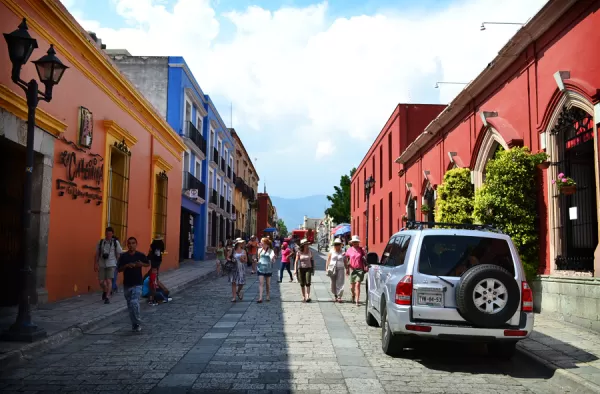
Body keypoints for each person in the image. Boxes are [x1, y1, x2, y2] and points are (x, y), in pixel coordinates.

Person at [118, 237, 149, 332]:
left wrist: (141, 265)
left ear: (136, 244)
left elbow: (147, 264)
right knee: (130, 306)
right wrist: (127, 266)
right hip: (127, 284)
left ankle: (138, 321)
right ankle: (134, 324)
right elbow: (119, 269)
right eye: (129, 243)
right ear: (127, 245)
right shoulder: (124, 256)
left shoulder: (140, 255)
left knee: (134, 302)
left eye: (133, 243)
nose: (131, 245)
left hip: (137, 283)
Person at [94, 227, 122, 304]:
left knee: (109, 280)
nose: (108, 235)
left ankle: (107, 297)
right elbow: (97, 254)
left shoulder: (115, 242)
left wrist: (116, 262)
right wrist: (95, 263)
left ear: (112, 234)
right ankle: (105, 290)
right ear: (105, 233)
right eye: (107, 233)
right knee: (101, 282)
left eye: (110, 234)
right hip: (102, 263)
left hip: (111, 263)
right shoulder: (101, 242)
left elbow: (119, 252)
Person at [345, 235, 367, 306]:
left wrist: (366, 265)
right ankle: (353, 295)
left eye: (356, 242)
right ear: (352, 242)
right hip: (352, 269)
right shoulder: (349, 250)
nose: (355, 243)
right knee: (352, 287)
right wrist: (347, 269)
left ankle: (357, 300)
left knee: (357, 284)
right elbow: (347, 259)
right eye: (354, 242)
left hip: (360, 269)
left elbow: (365, 258)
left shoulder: (361, 250)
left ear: (358, 242)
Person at [326, 238, 347, 302]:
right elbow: (328, 260)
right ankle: (335, 294)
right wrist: (326, 268)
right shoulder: (331, 251)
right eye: (335, 244)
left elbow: (345, 260)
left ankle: (339, 296)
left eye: (338, 244)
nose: (337, 245)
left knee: (340, 282)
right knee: (333, 282)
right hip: (332, 268)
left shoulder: (343, 252)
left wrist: (347, 268)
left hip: (340, 268)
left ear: (341, 245)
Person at [257, 237, 276, 303]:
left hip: (268, 268)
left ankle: (268, 295)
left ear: (266, 244)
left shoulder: (271, 251)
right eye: (261, 242)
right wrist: (257, 261)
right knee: (261, 283)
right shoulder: (259, 250)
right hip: (260, 268)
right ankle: (260, 297)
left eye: (262, 242)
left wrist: (273, 259)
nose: (261, 243)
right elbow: (259, 258)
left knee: (267, 283)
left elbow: (272, 258)